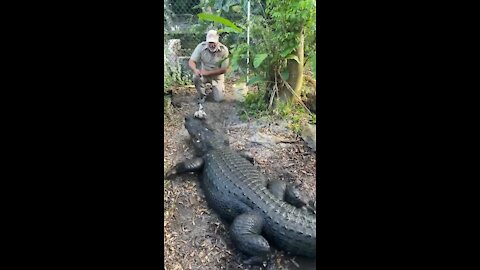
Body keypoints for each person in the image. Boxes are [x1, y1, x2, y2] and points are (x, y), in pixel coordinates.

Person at [188, 30, 229, 103]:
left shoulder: (224, 50)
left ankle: (216, 89)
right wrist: (195, 70)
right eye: (210, 42)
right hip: (204, 75)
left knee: (219, 99)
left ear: (217, 42)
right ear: (207, 42)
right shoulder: (201, 47)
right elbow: (191, 61)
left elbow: (224, 69)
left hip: (217, 77)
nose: (211, 45)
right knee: (195, 77)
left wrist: (208, 73)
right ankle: (202, 94)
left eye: (213, 43)